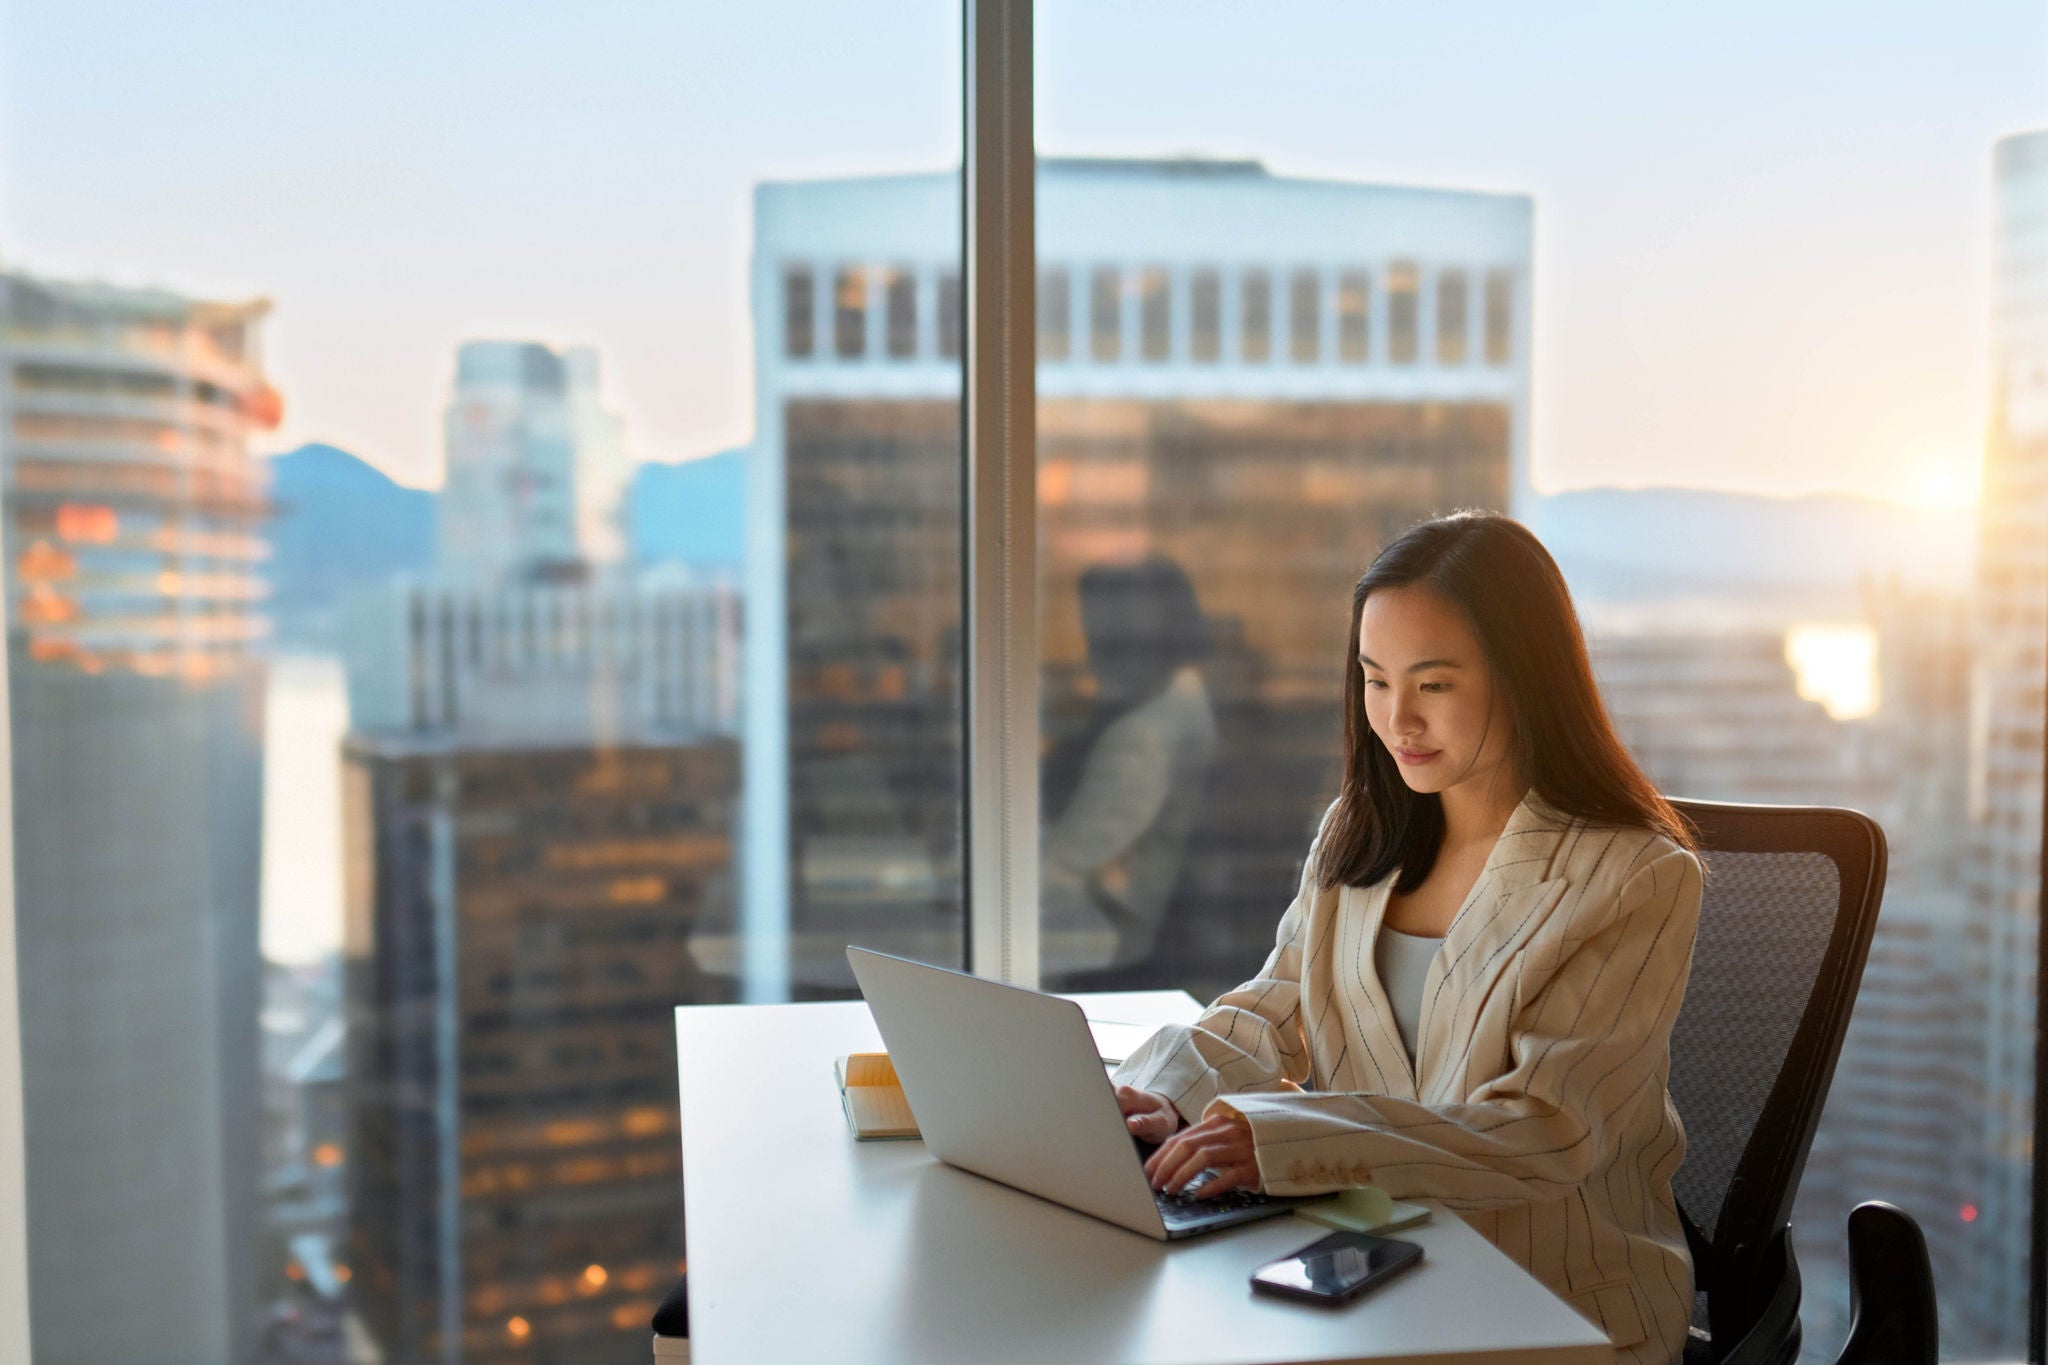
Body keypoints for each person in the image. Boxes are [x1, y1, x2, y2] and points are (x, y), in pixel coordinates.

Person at [1111, 511, 1702, 1365]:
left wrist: (1289, 1137)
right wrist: (1164, 1094)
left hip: (1555, 1299)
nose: (1398, 720)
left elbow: (1546, 1131)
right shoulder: (1360, 829)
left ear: (1524, 677)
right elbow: (1275, 1008)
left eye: (1434, 684)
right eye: (1375, 679)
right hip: (1370, 1260)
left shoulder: (1634, 875)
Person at [1038, 557, 1218, 982]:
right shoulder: (1186, 696)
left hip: (1117, 942)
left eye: (1107, 638)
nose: (1094, 652)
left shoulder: (1144, 734)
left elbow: (1068, 860)